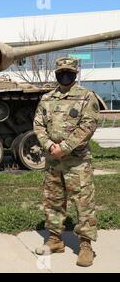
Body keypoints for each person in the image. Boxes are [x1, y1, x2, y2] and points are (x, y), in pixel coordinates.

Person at [34, 57, 100, 267]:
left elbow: (88, 126)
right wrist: (48, 146)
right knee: (53, 201)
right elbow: (38, 124)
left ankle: (86, 245)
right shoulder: (47, 98)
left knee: (83, 204)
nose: (65, 74)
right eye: (61, 71)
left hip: (77, 162)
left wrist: (65, 147)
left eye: (69, 71)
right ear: (56, 73)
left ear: (75, 73)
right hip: (53, 161)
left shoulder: (86, 97)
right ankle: (55, 239)